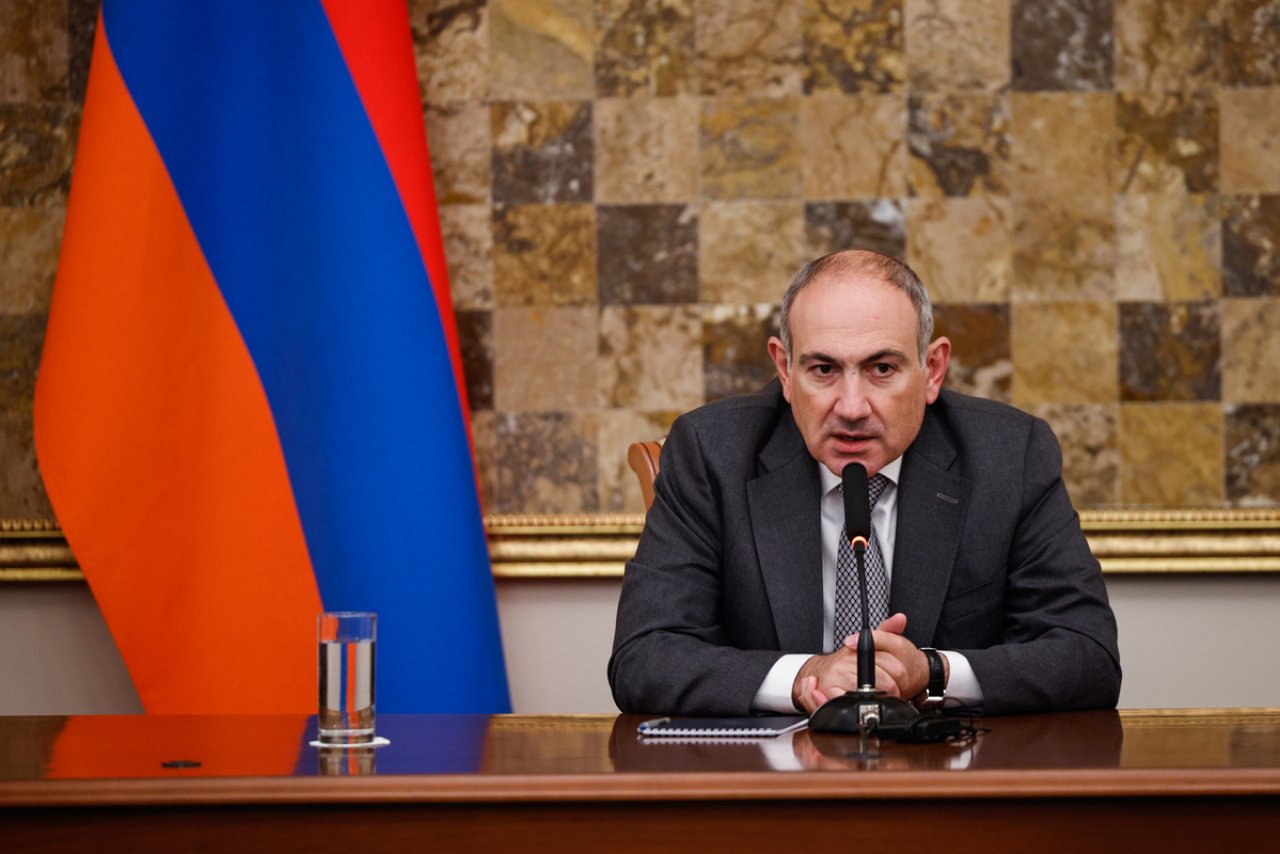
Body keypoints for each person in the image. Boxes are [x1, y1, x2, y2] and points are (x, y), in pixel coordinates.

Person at [608, 249, 1121, 716]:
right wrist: (804, 677)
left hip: (950, 776)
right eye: (823, 369)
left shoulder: (1009, 455)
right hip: (772, 777)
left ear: (932, 369)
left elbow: (1088, 655)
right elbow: (644, 657)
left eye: (881, 368)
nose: (851, 408)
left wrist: (932, 670)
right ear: (785, 370)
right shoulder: (712, 452)